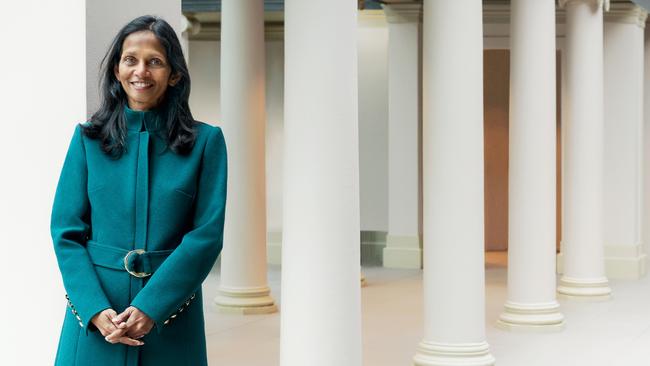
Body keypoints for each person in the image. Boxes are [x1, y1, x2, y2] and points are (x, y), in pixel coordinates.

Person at [51, 15, 227, 366]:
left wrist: (152, 306)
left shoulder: (206, 143)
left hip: (170, 321)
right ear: (117, 69)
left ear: (174, 74)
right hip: (97, 321)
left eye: (155, 62)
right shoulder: (87, 140)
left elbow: (205, 236)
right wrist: (94, 309)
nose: (141, 71)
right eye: (130, 59)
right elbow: (66, 233)